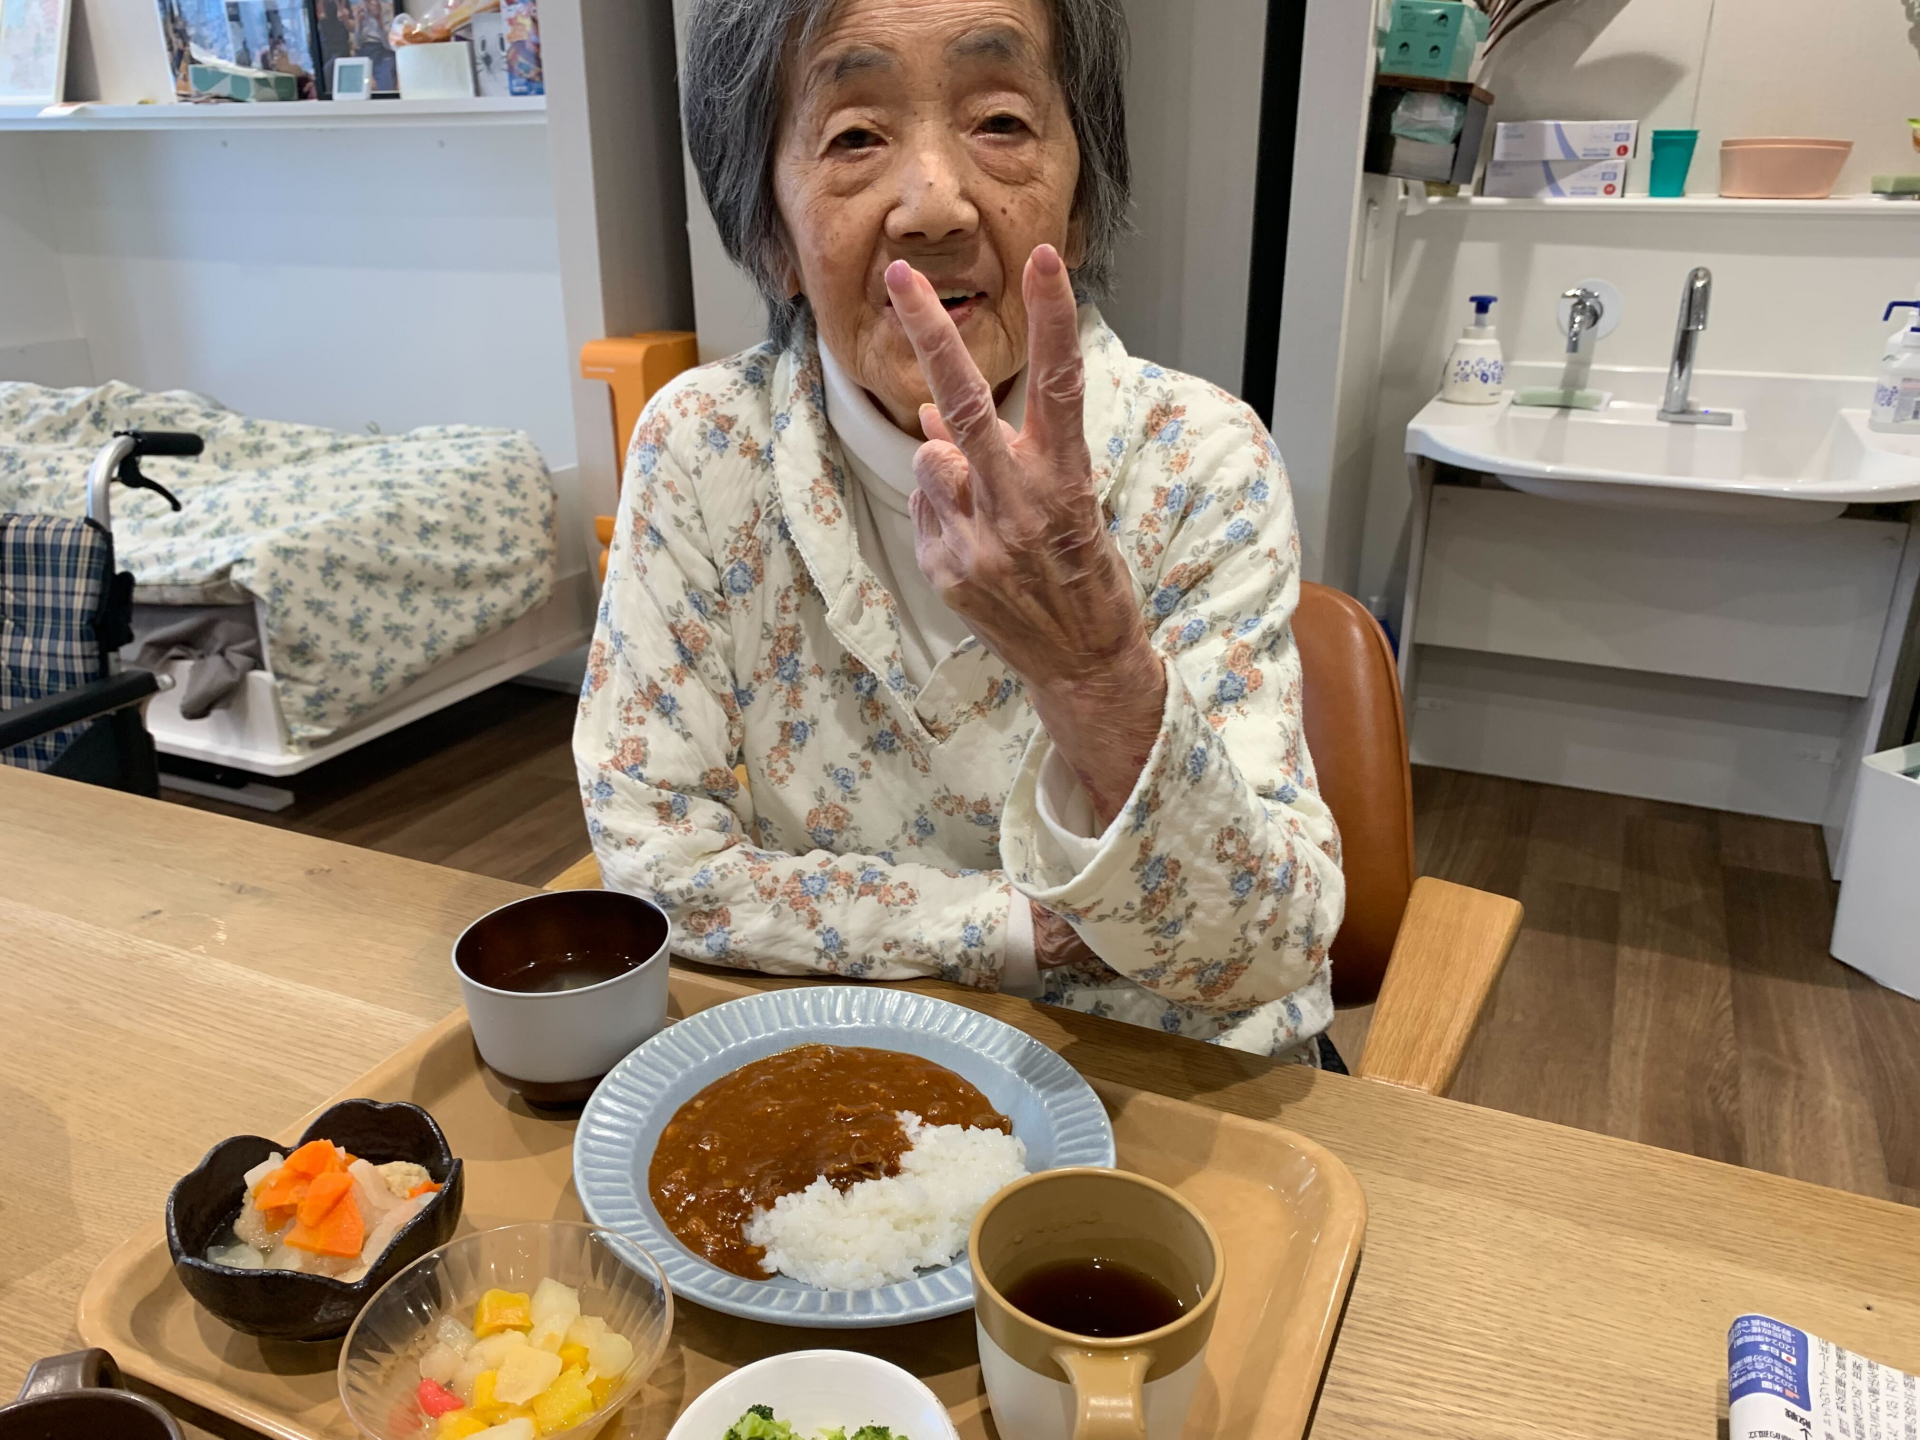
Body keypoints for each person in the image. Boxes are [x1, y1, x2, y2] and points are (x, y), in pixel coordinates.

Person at [574, 0, 1345, 1060]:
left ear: (1081, 204)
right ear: (770, 233)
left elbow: (1264, 949)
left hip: (1171, 1086)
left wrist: (1093, 669)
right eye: (854, 135)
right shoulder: (706, 447)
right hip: (849, 1069)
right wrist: (1018, 930)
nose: (934, 204)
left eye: (1001, 122)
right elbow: (658, 863)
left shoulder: (1201, 458)